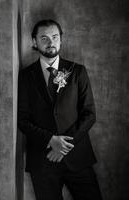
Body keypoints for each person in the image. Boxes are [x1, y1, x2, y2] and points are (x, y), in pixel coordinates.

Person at [18, 19, 102, 200]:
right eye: (44, 38)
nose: (50, 42)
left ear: (61, 39)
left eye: (55, 37)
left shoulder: (78, 71)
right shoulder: (25, 77)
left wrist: (62, 147)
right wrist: (50, 140)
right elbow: (22, 119)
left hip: (78, 157)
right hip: (42, 160)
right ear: (34, 42)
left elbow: (89, 114)